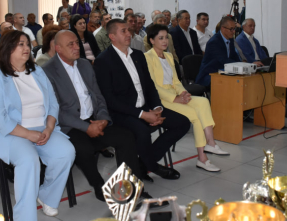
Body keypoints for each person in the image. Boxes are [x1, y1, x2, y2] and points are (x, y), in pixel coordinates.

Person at [0, 31, 76, 221]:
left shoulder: (37, 71)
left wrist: (49, 128)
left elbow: (53, 103)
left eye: (27, 44)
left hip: (41, 128)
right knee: (28, 159)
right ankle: (22, 220)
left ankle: (46, 196)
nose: (26, 48)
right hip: (9, 133)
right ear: (7, 50)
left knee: (66, 152)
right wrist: (28, 134)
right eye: (20, 45)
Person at [44, 30, 154, 201]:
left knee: (126, 137)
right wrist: (86, 127)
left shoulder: (84, 64)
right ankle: (98, 185)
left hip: (94, 119)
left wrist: (103, 119)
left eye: (77, 42)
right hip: (70, 126)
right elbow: (56, 110)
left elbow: (98, 96)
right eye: (70, 44)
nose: (76, 47)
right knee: (84, 148)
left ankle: (131, 186)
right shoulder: (47, 71)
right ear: (58, 48)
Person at [94, 19, 189, 182]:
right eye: (123, 31)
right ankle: (153, 166)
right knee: (142, 131)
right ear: (112, 36)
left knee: (182, 123)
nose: (128, 34)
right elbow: (109, 99)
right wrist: (142, 115)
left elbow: (149, 85)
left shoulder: (138, 55)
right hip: (122, 112)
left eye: (128, 30)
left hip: (146, 107)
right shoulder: (104, 60)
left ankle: (143, 165)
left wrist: (157, 108)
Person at [145, 24, 228, 172]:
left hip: (175, 94)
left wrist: (183, 93)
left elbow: (176, 82)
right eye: (161, 38)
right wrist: (175, 98)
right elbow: (153, 87)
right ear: (152, 40)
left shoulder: (169, 56)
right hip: (162, 99)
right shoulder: (147, 58)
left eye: (166, 38)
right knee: (194, 115)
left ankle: (211, 143)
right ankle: (202, 158)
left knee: (203, 101)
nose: (165, 41)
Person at [195, 16, 241, 88]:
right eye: (231, 29)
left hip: (224, 72)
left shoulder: (230, 39)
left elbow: (234, 56)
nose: (233, 31)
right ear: (223, 28)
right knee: (230, 84)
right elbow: (223, 60)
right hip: (210, 74)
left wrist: (244, 66)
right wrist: (240, 66)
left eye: (234, 28)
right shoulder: (214, 42)